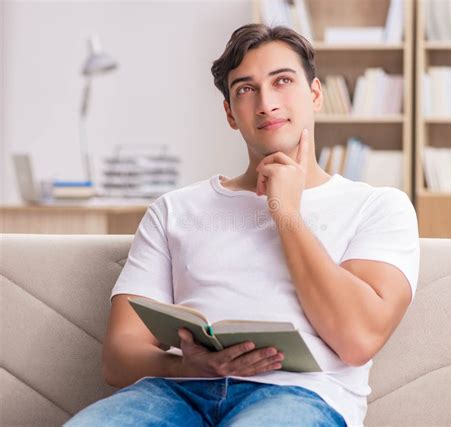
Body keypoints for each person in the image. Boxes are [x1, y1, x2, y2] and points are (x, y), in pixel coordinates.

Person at [65, 23, 420, 427]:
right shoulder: (173, 210)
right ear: (231, 114)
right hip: (175, 391)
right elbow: (118, 356)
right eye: (246, 89)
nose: (266, 103)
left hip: (300, 397)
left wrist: (285, 212)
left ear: (316, 94)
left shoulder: (379, 207)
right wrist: (188, 367)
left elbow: (358, 339)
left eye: (282, 81)